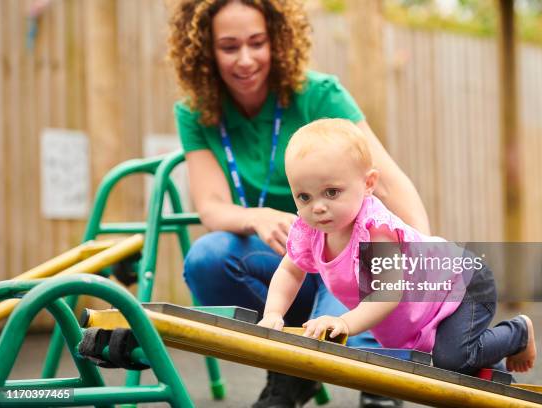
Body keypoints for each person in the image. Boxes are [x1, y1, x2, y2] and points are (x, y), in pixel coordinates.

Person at [168, 1, 429, 407]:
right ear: (204, 49)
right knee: (207, 258)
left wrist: (422, 255)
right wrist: (255, 216)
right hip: (285, 260)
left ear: (277, 38)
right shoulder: (197, 113)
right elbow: (211, 206)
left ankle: (375, 374)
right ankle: (291, 366)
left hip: (345, 259)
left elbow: (391, 185)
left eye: (257, 42)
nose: (246, 59)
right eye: (229, 46)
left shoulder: (318, 94)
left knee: (353, 316)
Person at [258, 118, 537, 377]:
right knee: (452, 363)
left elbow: (387, 293)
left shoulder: (375, 231)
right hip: (427, 304)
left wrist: (344, 323)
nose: (318, 207)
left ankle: (517, 333)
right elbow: (290, 272)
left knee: (450, 360)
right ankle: (484, 357)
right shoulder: (310, 231)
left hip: (462, 282)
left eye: (332, 192)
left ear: (368, 184)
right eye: (304, 197)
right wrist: (273, 313)